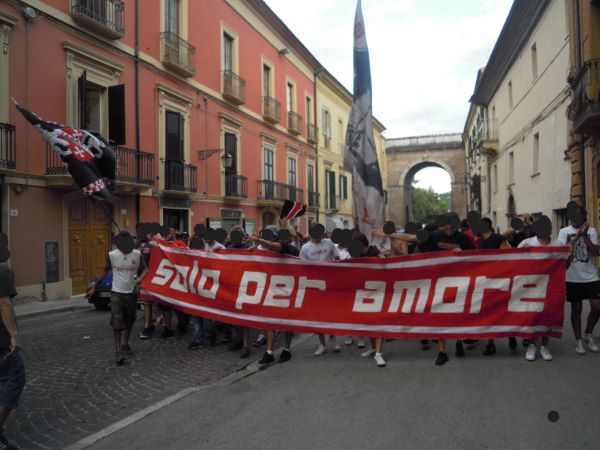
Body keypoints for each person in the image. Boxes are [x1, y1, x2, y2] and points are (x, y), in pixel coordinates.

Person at [416, 214, 475, 366]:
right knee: (439, 316)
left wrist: (463, 253)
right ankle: (442, 352)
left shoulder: (464, 239)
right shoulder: (433, 236)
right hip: (439, 282)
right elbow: (413, 240)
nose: (445, 226)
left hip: (459, 282)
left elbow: (476, 258)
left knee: (458, 314)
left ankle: (459, 341)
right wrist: (390, 234)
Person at [93, 231, 147, 365]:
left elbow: (146, 270)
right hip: (117, 293)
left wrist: (139, 280)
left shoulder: (137, 254)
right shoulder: (112, 255)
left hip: (132, 292)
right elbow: (104, 271)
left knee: (129, 320)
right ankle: (118, 351)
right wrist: (94, 285)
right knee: (117, 322)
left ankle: (125, 344)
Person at [557, 207, 600, 355]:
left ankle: (588, 333)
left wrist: (585, 236)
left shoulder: (592, 231)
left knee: (597, 306)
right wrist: (576, 238)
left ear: (583, 217)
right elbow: (563, 251)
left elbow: (596, 252)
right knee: (576, 309)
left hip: (591, 276)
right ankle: (578, 341)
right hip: (572, 277)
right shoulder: (564, 232)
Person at [518, 216, 561, 361]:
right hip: (531, 286)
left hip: (551, 287)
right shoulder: (527, 243)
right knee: (532, 317)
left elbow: (564, 267)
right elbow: (513, 264)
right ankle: (531, 346)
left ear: (550, 229)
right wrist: (522, 253)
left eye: (546, 228)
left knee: (547, 317)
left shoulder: (558, 244)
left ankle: (544, 346)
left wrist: (569, 255)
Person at [255, 229, 300, 364]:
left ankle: (287, 349)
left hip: (288, 289)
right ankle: (269, 351)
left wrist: (258, 241)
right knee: (270, 320)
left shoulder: (290, 249)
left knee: (286, 322)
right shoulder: (270, 251)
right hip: (273, 288)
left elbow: (275, 246)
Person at [476, 218, 515, 356]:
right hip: (486, 281)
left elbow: (508, 256)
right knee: (488, 313)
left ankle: (511, 334)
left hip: (501, 280)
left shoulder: (498, 238)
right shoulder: (479, 242)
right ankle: (490, 343)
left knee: (504, 309)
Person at [299, 224, 340, 356]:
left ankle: (333, 338)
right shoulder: (305, 248)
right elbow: (301, 267)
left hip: (330, 283)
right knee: (318, 315)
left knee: (331, 313)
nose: (322, 235)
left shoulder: (328, 243)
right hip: (315, 285)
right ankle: (322, 344)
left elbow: (337, 258)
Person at [0, 234, 25, 450]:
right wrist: (14, 335)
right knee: (15, 377)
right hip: (1, 341)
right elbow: (5, 303)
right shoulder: (2, 270)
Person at [350, 232, 387, 367]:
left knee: (378, 322)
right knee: (368, 322)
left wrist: (380, 258)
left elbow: (384, 260)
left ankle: (379, 354)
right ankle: (372, 348)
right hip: (363, 293)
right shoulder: (356, 254)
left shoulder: (373, 250)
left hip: (378, 291)